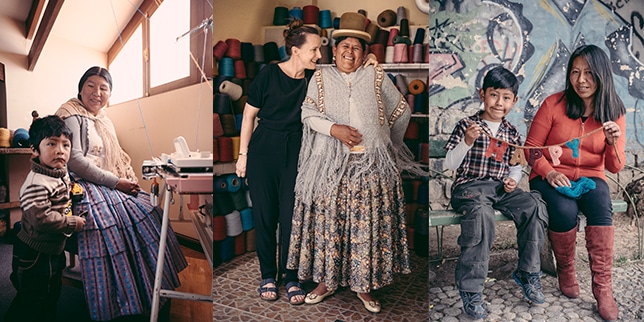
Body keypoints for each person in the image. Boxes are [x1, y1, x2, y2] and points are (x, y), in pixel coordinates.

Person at [235, 18, 378, 305]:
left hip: (298, 154)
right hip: (264, 150)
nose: (319, 55)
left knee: (292, 218)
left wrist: (370, 58)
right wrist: (243, 155)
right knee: (265, 217)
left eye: (320, 50)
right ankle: (267, 276)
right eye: (313, 50)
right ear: (295, 50)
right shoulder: (268, 75)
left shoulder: (316, 79)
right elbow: (249, 116)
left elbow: (346, 67)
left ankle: (290, 278)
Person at [285, 12, 420, 314]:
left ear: (365, 53)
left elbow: (401, 112)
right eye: (344, 45)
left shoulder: (375, 75)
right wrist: (335, 129)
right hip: (329, 169)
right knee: (329, 228)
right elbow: (307, 114)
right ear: (333, 51)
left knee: (364, 230)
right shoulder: (320, 77)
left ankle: (364, 286)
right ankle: (326, 282)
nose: (349, 51)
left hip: (369, 166)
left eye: (356, 47)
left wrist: (386, 148)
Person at [54, 66, 188, 321]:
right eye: (91, 86)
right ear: (80, 88)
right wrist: (117, 183)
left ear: (110, 94)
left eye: (104, 88)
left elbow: (113, 157)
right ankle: (119, 302)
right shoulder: (70, 114)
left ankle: (150, 289)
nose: (97, 92)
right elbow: (76, 162)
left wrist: (123, 180)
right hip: (82, 185)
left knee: (150, 209)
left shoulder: (104, 120)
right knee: (111, 225)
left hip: (104, 182)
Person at [525, 44, 625, 321]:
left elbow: (615, 166)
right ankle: (565, 269)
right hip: (550, 176)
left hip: (592, 177)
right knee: (565, 210)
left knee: (602, 206)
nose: (581, 80)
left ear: (602, 75)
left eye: (589, 73)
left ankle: (603, 289)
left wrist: (614, 143)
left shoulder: (614, 112)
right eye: (575, 72)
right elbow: (531, 148)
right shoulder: (553, 104)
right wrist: (548, 172)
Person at [443, 66, 549, 319]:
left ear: (514, 101)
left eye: (506, 97)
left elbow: (515, 167)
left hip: (500, 190)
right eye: (493, 95)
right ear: (482, 94)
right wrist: (466, 142)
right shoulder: (467, 126)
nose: (499, 103)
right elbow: (450, 164)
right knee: (482, 216)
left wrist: (513, 180)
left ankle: (528, 272)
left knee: (534, 205)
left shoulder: (511, 133)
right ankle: (471, 289)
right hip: (470, 188)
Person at [4, 115, 87, 322]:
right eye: (51, 143)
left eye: (66, 145)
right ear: (34, 149)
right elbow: (41, 219)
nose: (60, 150)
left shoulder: (59, 172)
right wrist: (71, 222)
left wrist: (74, 192)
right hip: (34, 252)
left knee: (51, 293)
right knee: (30, 298)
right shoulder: (36, 183)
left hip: (53, 247)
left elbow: (65, 191)